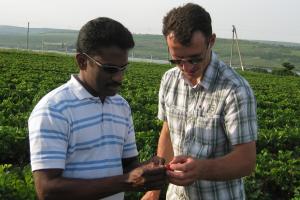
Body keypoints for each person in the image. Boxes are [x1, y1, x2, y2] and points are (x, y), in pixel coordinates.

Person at [28, 17, 166, 200]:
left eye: (123, 68)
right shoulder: (54, 110)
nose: (119, 78)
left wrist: (149, 169)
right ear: (82, 61)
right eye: (109, 69)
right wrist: (126, 181)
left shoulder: (121, 106)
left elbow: (128, 167)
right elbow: (47, 189)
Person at [142, 3, 257, 200]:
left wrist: (201, 169)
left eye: (195, 59)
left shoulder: (235, 90)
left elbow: (246, 160)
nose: (186, 67)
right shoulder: (169, 80)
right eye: (177, 60)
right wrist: (154, 189)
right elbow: (168, 132)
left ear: (211, 41)